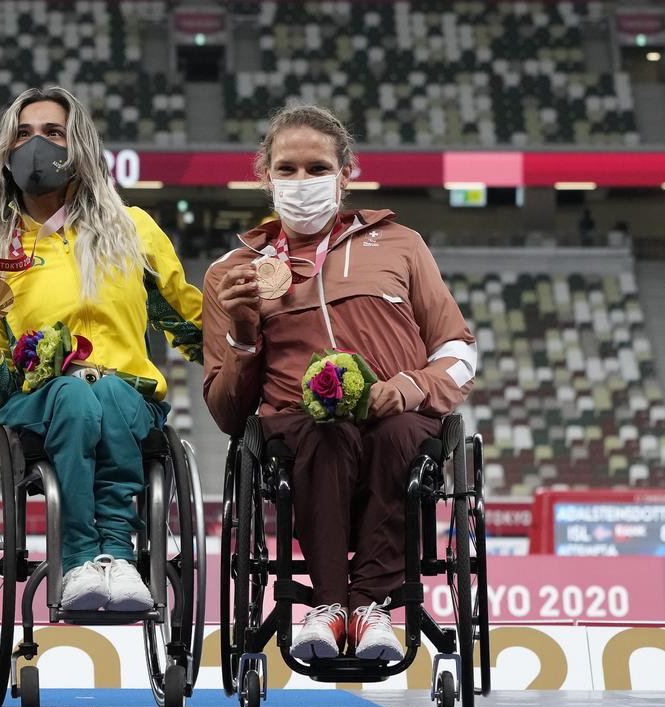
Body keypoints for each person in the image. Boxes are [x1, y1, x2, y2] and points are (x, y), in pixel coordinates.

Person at [203, 104, 476, 663]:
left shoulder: (402, 243)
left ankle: (370, 607)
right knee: (324, 432)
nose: (302, 182)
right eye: (287, 169)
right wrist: (243, 334)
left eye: (316, 168)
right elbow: (229, 415)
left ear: (345, 174)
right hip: (300, 430)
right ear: (265, 177)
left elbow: (458, 351)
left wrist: (408, 387)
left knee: (401, 434)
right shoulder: (233, 272)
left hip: (399, 417)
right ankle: (329, 607)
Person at [0, 87, 203, 612]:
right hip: (35, 407)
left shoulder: (134, 232)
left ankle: (114, 559)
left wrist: (245, 343)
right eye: (23, 134)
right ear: (6, 153)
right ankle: (87, 557)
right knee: (78, 398)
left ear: (78, 146)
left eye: (53, 133)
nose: (36, 145)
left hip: (128, 396)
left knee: (103, 393)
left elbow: (191, 323)